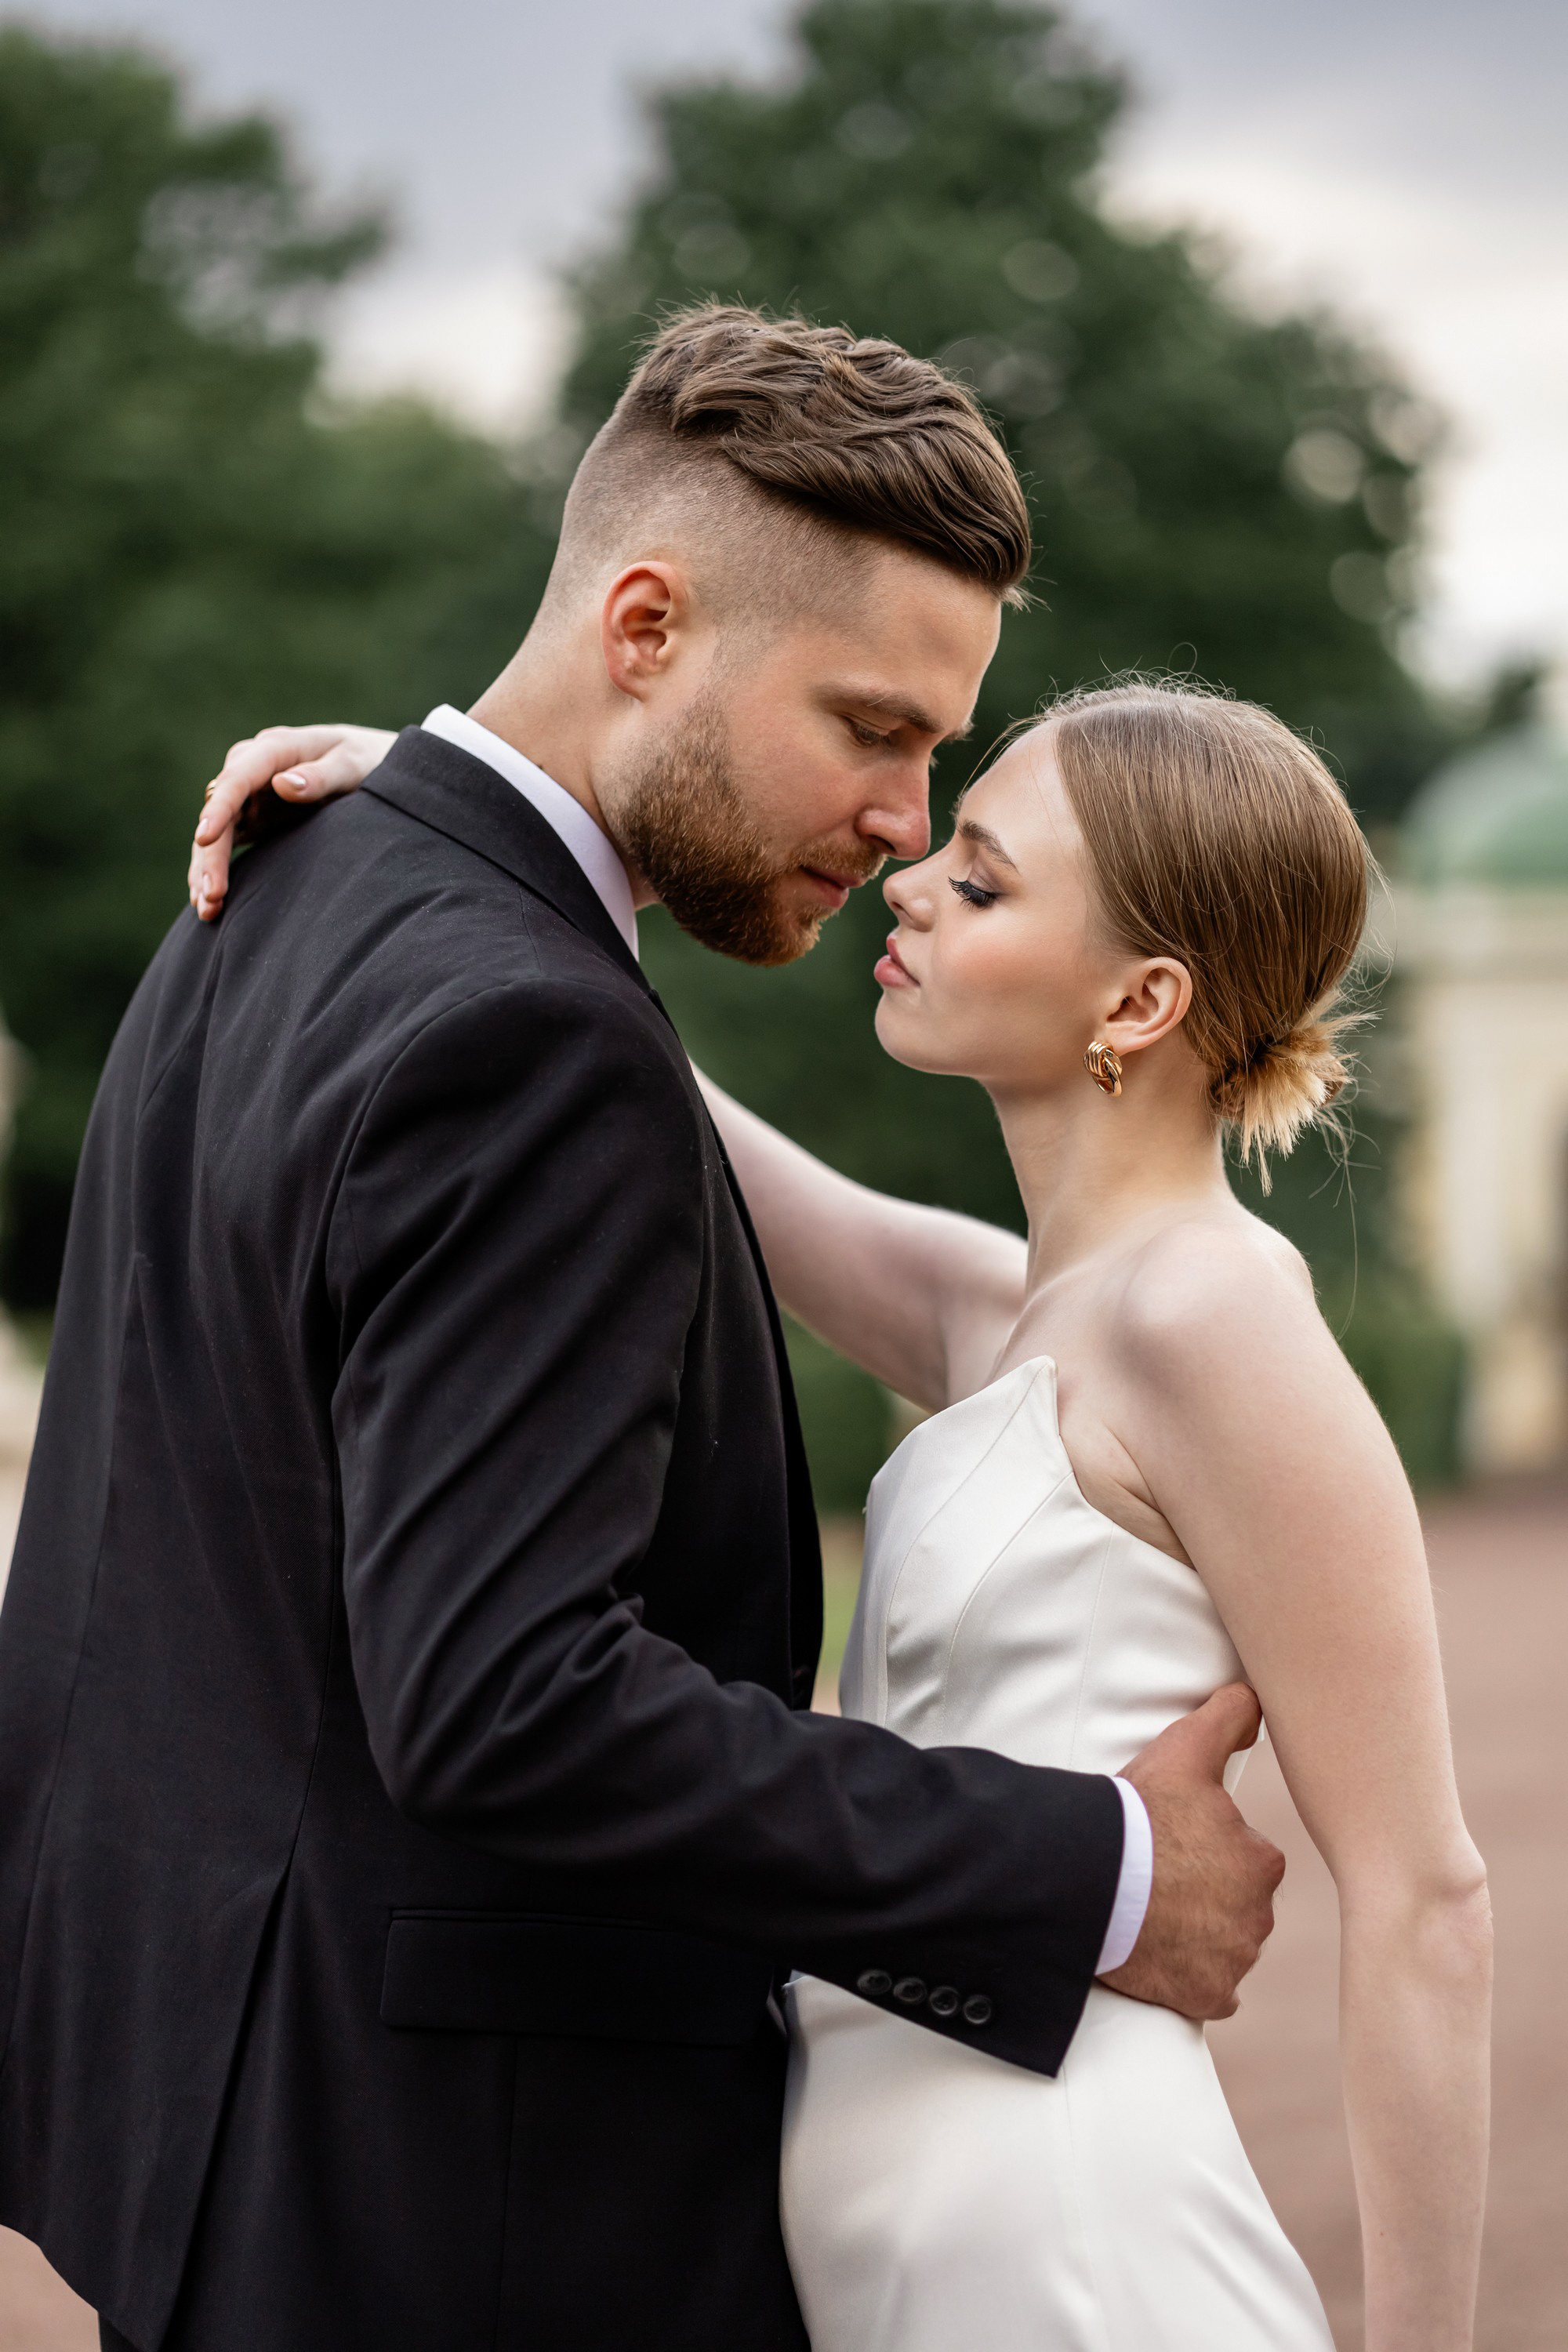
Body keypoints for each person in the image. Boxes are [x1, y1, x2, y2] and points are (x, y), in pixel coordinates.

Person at [0, 307, 1280, 2352]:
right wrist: (1099, 1870)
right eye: (871, 728)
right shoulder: (529, 1030)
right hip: (478, 2219)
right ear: (648, 626)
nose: (905, 819)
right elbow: (509, 1699)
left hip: (218, 2141)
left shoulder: (281, 879)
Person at [205, 681, 1492, 2350]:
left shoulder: (1214, 1316)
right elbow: (641, 1086)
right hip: (881, 2233)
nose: (910, 880)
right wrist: (447, 805)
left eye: (982, 878)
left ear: (1141, 998)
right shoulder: (1014, 1312)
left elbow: (1425, 1896)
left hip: (1072, 2239)